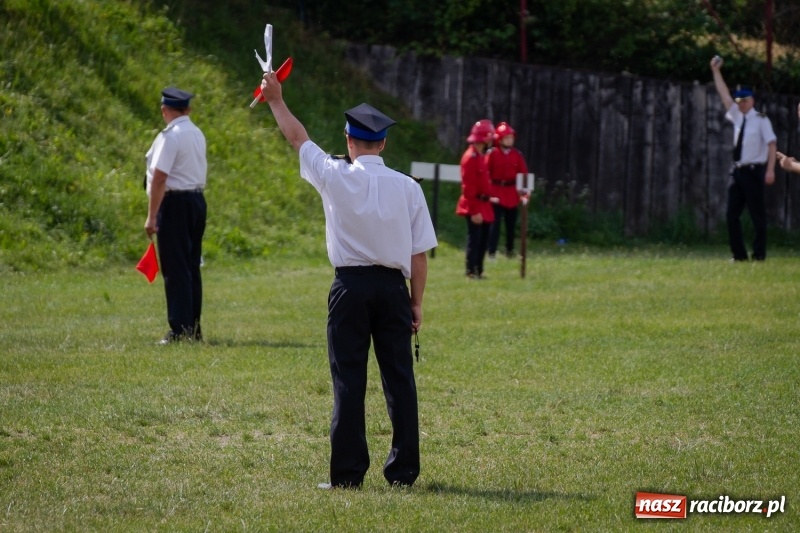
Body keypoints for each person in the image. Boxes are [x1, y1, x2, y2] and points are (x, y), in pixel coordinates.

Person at [258, 71, 438, 489]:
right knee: (400, 380)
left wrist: (276, 100)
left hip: (349, 288)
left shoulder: (333, 174)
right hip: (393, 289)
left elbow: (298, 138)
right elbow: (419, 255)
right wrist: (415, 302)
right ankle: (403, 473)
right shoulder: (409, 188)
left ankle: (347, 475)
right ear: (384, 144)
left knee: (348, 380)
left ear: (348, 139)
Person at [144, 87, 208, 344]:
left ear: (164, 110)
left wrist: (152, 216)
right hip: (196, 201)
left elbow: (160, 177)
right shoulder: (196, 133)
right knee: (190, 267)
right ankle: (193, 327)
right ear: (188, 109)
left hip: (175, 204)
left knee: (175, 268)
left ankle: (180, 330)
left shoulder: (171, 136)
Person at [710, 56, 777, 261]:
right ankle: (739, 255)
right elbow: (724, 94)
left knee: (757, 215)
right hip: (737, 171)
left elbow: (771, 144)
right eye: (739, 100)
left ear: (752, 100)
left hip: (754, 171)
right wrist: (716, 71)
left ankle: (759, 254)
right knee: (732, 215)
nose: (741, 103)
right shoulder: (737, 116)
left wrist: (770, 170)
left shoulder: (761, 119)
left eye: (745, 100)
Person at [456, 120, 498, 279]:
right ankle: (470, 271)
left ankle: (479, 270)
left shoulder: (480, 156)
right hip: (475, 205)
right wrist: (474, 211)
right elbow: (468, 187)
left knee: (483, 240)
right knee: (475, 239)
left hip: (484, 204)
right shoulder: (470, 157)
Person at [486, 121, 528, 260]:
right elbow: (485, 173)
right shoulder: (492, 154)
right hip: (496, 192)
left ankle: (509, 251)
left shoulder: (517, 155)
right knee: (494, 225)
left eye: (511, 137)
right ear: (500, 139)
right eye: (507, 137)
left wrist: (524, 193)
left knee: (511, 225)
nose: (510, 140)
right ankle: (491, 252)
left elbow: (523, 174)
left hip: (511, 193)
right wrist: (487, 193)